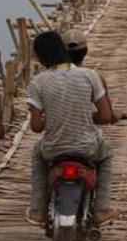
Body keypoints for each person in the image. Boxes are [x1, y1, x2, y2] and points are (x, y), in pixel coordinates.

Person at [25, 31, 120, 226]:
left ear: (41, 57)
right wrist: (85, 116)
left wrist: (51, 118)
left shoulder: (38, 83)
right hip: (87, 147)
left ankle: (38, 209)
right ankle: (102, 208)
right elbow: (104, 116)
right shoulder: (89, 76)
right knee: (107, 153)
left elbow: (35, 127)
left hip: (53, 148)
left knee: (37, 153)